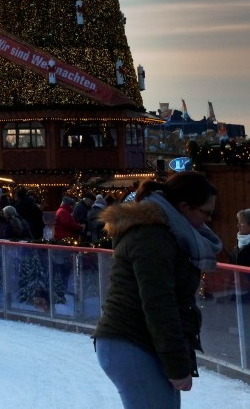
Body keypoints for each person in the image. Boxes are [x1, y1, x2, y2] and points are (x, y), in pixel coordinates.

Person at [93, 171, 222, 409]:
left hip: (140, 342)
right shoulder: (152, 236)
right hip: (130, 341)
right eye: (206, 212)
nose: (209, 220)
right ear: (184, 207)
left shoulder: (169, 234)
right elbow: (158, 304)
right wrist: (176, 365)